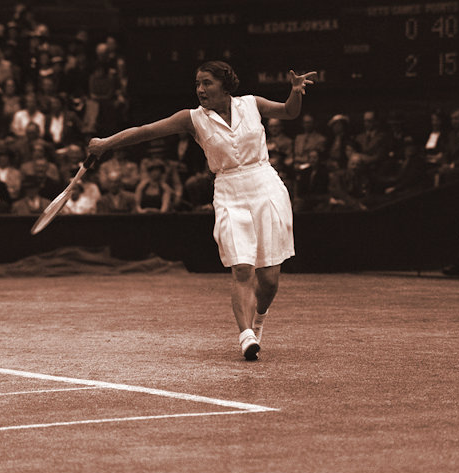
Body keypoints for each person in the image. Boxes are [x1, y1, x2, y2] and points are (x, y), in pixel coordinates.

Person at [87, 61, 316, 361]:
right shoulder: (191, 119)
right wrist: (106, 143)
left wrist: (296, 92)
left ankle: (259, 320)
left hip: (266, 187)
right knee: (242, 267)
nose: (200, 90)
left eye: (207, 83)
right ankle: (246, 335)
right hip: (228, 191)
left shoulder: (252, 104)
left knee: (270, 279)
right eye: (197, 84)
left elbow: (289, 111)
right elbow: (145, 131)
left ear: (225, 84)